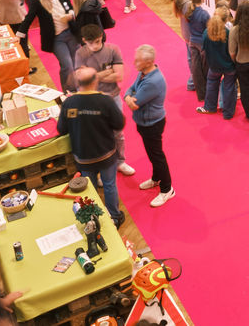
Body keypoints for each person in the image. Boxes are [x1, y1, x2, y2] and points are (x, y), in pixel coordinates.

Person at [58, 67, 127, 224]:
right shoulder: (106, 101)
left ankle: (94, 219)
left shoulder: (69, 102)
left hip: (83, 157)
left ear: (78, 83)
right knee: (109, 185)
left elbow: (61, 129)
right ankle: (115, 217)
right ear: (96, 81)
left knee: (90, 188)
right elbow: (119, 124)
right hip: (106, 154)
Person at [75, 25, 134, 176]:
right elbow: (81, 79)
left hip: (113, 97)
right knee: (98, 135)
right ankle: (101, 169)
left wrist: (93, 75)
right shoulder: (80, 54)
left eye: (97, 41)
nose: (95, 46)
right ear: (84, 40)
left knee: (118, 133)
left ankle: (120, 161)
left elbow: (118, 76)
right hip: (92, 100)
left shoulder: (113, 50)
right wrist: (107, 73)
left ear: (101, 36)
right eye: (91, 43)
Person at [125, 45, 175, 207]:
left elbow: (135, 103)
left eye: (138, 60)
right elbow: (130, 90)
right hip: (145, 122)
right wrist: (128, 97)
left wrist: (129, 98)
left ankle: (167, 189)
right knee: (152, 154)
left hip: (152, 125)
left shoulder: (152, 82)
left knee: (156, 156)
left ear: (148, 62)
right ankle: (156, 178)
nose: (134, 63)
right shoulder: (143, 73)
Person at [18, 0, 78, 91]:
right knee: (67, 65)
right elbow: (28, 19)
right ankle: (68, 91)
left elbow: (70, 8)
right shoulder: (38, 2)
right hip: (56, 39)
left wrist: (71, 15)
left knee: (75, 64)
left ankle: (76, 88)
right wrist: (19, 35)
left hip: (71, 34)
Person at [198, 13, 238, 119]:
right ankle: (228, 113)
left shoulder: (206, 33)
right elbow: (232, 50)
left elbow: (203, 49)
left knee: (211, 84)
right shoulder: (228, 33)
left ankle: (210, 107)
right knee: (229, 87)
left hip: (214, 66)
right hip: (229, 66)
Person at [186, 0, 211, 104]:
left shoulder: (189, 12)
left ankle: (201, 94)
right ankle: (207, 91)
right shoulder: (204, 14)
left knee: (196, 67)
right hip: (202, 43)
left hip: (192, 41)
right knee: (205, 68)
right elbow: (209, 29)